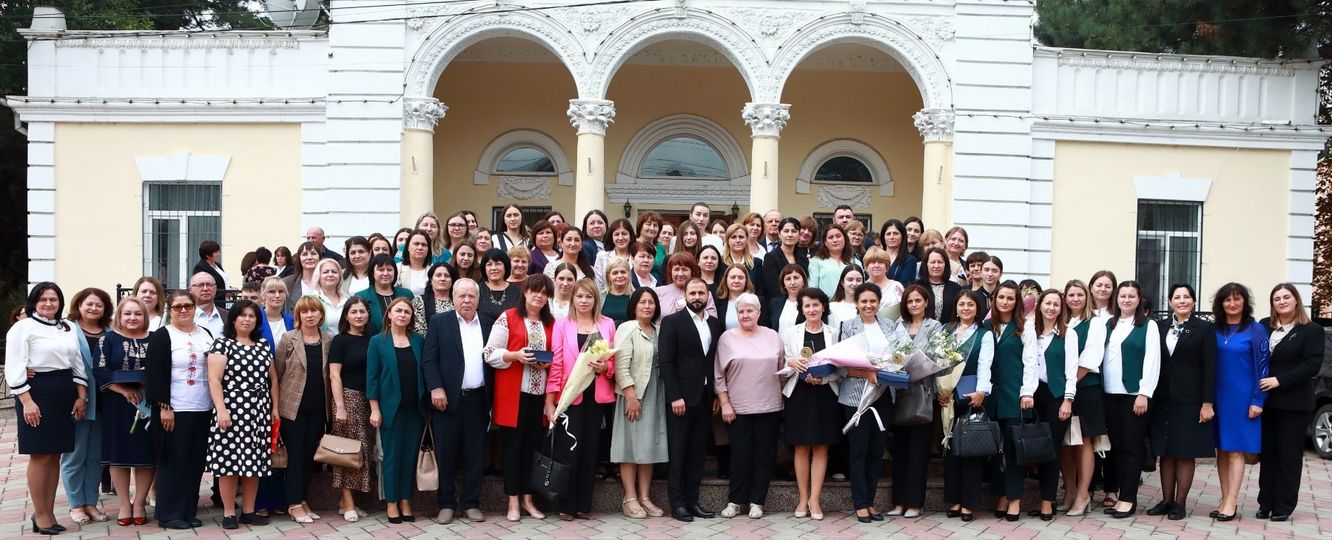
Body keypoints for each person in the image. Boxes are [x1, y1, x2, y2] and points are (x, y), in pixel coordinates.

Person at [7, 283, 90, 534]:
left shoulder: (68, 328)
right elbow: (14, 367)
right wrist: (27, 402)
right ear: (34, 302)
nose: (48, 303)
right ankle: (41, 514)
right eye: (43, 299)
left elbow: (77, 364)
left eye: (53, 299)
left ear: (60, 302)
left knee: (55, 455)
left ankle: (49, 512)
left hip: (65, 391)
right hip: (37, 393)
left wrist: (82, 397)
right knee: (40, 455)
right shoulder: (22, 328)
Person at [418, 279, 493, 524]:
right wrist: (436, 387)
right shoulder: (440, 322)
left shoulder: (488, 324)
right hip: (447, 400)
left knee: (475, 454)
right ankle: (446, 503)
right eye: (462, 296)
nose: (467, 300)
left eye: (471, 296)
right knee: (446, 453)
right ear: (453, 299)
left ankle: (471, 503)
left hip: (478, 400)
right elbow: (429, 358)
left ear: (479, 299)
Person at [483, 275, 555, 522]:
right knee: (513, 449)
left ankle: (528, 499)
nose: (539, 296)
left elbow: (556, 357)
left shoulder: (551, 323)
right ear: (525, 292)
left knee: (533, 449)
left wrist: (547, 363)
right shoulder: (508, 317)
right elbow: (489, 353)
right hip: (513, 395)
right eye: (535, 291)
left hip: (540, 396)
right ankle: (512, 501)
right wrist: (515, 356)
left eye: (544, 293)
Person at [545, 278, 618, 520]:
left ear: (596, 299)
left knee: (589, 450)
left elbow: (612, 362)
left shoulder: (607, 324)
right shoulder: (562, 325)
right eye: (579, 296)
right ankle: (566, 505)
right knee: (570, 450)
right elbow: (556, 363)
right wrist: (550, 400)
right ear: (572, 299)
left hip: (596, 396)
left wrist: (604, 367)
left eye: (589, 296)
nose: (584, 301)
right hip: (570, 395)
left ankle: (582, 505)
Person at [204, 300, 278, 529]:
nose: (247, 319)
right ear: (234, 319)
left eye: (252, 316)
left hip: (259, 411)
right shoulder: (222, 344)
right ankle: (229, 513)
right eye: (242, 315)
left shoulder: (263, 344)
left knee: (253, 463)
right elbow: (214, 380)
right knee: (230, 463)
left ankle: (248, 511)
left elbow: (273, 379)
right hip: (232, 410)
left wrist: (274, 408)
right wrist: (221, 410)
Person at [1145, 283, 1216, 521]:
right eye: (1177, 297)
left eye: (1187, 297)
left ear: (1194, 302)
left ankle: (1180, 503)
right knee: (1165, 452)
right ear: (1170, 302)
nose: (1182, 301)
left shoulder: (1204, 329)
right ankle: (1166, 500)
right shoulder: (1159, 326)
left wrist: (1207, 403)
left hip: (1190, 401)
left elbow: (1210, 368)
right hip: (1162, 399)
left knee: (1184, 452)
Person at [837, 283, 907, 523]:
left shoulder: (890, 326)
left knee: (877, 450)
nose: (868, 305)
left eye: (872, 301)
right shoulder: (847, 326)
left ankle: (870, 500)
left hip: (883, 395)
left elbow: (901, 356)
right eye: (863, 301)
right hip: (856, 397)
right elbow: (841, 365)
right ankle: (860, 503)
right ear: (857, 303)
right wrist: (866, 373)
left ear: (879, 303)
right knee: (859, 449)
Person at [1092, 280, 1161, 519]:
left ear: (1139, 299)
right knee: (1116, 447)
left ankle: (1128, 499)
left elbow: (1152, 361)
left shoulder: (1148, 326)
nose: (1127, 300)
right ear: (1116, 298)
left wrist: (1144, 393)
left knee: (1132, 447)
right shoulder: (1109, 324)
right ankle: (1118, 492)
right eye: (1123, 296)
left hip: (1134, 395)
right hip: (1110, 394)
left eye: (1132, 296)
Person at [146, 290, 213, 529]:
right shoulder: (163, 336)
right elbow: (155, 374)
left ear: (194, 308)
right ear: (169, 310)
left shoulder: (205, 334)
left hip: (203, 407)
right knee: (174, 460)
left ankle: (188, 511)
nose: (183, 310)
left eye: (188, 306)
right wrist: (164, 407)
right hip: (175, 409)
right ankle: (169, 514)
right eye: (177, 307)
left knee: (195, 461)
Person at [1257, 283, 1324, 522]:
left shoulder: (1311, 330)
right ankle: (1265, 502)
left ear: (1296, 300)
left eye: (1286, 297)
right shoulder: (1264, 325)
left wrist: (1280, 380)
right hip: (1266, 403)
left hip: (1294, 403)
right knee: (1268, 455)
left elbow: (1311, 365)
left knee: (1288, 456)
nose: (1282, 301)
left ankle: (1283, 506)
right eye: (1277, 298)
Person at [714, 293, 784, 519]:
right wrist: (725, 403)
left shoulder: (773, 336)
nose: (745, 315)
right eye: (741, 311)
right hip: (738, 408)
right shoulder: (727, 338)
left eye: (749, 311)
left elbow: (782, 369)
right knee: (740, 455)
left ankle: (757, 502)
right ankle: (735, 501)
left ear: (759, 313)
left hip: (770, 406)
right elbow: (718, 375)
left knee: (764, 456)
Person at [658, 278, 723, 522]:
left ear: (708, 296)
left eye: (701, 293)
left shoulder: (714, 324)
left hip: (705, 398)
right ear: (684, 295)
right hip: (681, 400)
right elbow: (666, 361)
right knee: (679, 453)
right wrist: (675, 395)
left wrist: (715, 393)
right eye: (692, 293)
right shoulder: (672, 322)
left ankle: (693, 502)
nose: (697, 297)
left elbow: (713, 361)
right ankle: (677, 504)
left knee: (697, 453)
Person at [780, 288, 840, 521]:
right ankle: (803, 498)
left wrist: (823, 377)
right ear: (801, 309)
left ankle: (815, 499)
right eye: (807, 306)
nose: (812, 309)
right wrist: (791, 362)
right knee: (801, 447)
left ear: (823, 307)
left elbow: (841, 367)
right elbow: (784, 360)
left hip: (825, 393)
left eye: (816, 305)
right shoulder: (791, 332)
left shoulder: (834, 333)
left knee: (821, 447)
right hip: (799, 393)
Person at [95, 297, 156, 527]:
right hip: (117, 404)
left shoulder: (155, 339)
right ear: (119, 316)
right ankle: (123, 504)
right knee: (118, 456)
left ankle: (139, 503)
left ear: (145, 316)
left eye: (138, 314)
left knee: (145, 455)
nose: (132, 318)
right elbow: (99, 370)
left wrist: (146, 385)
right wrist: (123, 390)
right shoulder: (108, 339)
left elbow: (162, 369)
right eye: (127, 313)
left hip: (148, 404)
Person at [1210, 282, 1267, 521]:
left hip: (1242, 399)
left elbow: (1263, 368)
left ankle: (1232, 501)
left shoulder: (1256, 330)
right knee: (1222, 450)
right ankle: (1225, 498)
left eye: (1237, 299)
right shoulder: (1214, 329)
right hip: (1216, 397)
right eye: (1227, 299)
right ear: (1220, 303)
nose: (1232, 304)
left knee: (1235, 450)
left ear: (1245, 302)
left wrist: (1258, 399)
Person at [611, 287, 669, 519]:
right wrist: (631, 397)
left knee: (649, 445)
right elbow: (620, 365)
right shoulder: (627, 328)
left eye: (651, 302)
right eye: (642, 302)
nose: (647, 306)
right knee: (630, 446)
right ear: (634, 306)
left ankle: (645, 497)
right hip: (634, 393)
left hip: (656, 391)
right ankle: (630, 498)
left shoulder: (659, 330)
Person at [366, 298, 425, 524]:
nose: (402, 315)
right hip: (391, 410)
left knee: (409, 456)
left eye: (407, 312)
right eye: (398, 310)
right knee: (391, 457)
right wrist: (374, 409)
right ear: (389, 314)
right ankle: (391, 502)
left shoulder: (418, 340)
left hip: (415, 409)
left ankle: (405, 500)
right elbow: (372, 378)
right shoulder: (377, 341)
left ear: (411, 317)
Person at [273, 296, 332, 523]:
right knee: (296, 457)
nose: (310, 315)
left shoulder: (328, 340)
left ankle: (303, 499)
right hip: (292, 410)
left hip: (318, 410)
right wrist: (275, 408)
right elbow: (277, 375)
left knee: (309, 458)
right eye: (305, 312)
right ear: (298, 315)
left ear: (321, 314)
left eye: (314, 311)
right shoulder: (288, 339)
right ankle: (294, 503)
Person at [982, 280, 1037, 521]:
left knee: (1014, 451)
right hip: (991, 397)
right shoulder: (986, 325)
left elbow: (1031, 361)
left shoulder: (1025, 327)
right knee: (996, 450)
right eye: (1001, 297)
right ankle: (1002, 494)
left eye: (1010, 298)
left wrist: (1027, 392)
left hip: (1015, 395)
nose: (1004, 302)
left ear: (1017, 302)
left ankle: (1014, 500)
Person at [887, 285, 943, 518]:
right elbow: (891, 354)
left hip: (922, 392)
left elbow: (937, 357)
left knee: (917, 451)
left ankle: (914, 502)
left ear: (926, 302)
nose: (913, 305)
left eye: (918, 300)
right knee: (899, 451)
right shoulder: (898, 326)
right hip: (900, 392)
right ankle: (898, 501)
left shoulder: (935, 326)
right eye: (910, 301)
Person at [1024, 289, 1080, 521]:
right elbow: (1026, 363)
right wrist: (1026, 393)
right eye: (1047, 303)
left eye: (1056, 304)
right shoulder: (1029, 330)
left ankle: (1048, 502)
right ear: (1040, 305)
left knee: (1051, 450)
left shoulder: (1069, 334)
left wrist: (1068, 400)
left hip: (1056, 396)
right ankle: (1033, 499)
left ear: (1061, 309)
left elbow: (1072, 370)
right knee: (1030, 448)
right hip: (1031, 394)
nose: (1051, 308)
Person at [940, 290, 993, 522]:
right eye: (962, 304)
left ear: (977, 308)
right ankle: (954, 499)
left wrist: (981, 391)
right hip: (948, 396)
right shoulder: (947, 330)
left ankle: (968, 503)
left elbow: (985, 365)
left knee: (970, 450)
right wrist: (940, 390)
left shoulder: (984, 334)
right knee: (951, 449)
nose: (966, 308)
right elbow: (936, 362)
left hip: (971, 394)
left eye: (971, 305)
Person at [62, 288, 111, 525]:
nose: (93, 308)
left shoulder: (111, 332)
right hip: (77, 401)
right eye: (89, 304)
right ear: (79, 305)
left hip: (105, 402)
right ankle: (75, 504)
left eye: (99, 305)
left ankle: (90, 502)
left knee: (96, 457)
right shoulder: (66, 330)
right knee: (75, 455)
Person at [328, 298, 376, 522]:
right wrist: (340, 406)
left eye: (362, 311)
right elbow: (334, 375)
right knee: (346, 452)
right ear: (346, 316)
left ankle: (346, 502)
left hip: (369, 400)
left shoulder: (373, 339)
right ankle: (347, 503)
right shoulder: (340, 340)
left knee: (363, 451)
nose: (358, 315)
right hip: (348, 398)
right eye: (354, 311)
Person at [356, 254, 414, 334]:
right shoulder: (361, 297)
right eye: (381, 270)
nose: (386, 273)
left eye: (389, 270)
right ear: (372, 273)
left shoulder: (407, 294)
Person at [655, 252, 718, 318]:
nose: (680, 274)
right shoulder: (658, 292)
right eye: (676, 269)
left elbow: (712, 320)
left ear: (692, 271)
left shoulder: (703, 294)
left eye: (684, 269)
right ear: (670, 272)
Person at [761, 217, 808, 298]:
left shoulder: (803, 257)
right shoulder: (771, 257)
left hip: (802, 301)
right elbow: (773, 288)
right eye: (786, 231)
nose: (790, 235)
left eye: (794, 231)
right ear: (779, 234)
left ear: (799, 234)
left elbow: (806, 282)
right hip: (779, 302)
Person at [808, 224, 859, 296]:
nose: (835, 240)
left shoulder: (855, 262)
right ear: (825, 242)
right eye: (831, 237)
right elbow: (812, 289)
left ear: (845, 238)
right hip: (826, 302)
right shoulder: (816, 261)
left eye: (838, 236)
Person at [916, 247, 961, 323]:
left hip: (949, 329)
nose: (936, 266)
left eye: (940, 262)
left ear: (945, 265)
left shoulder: (956, 288)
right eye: (932, 262)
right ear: (926, 264)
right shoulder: (916, 287)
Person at [721, 223, 765, 298]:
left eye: (741, 237)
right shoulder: (720, 263)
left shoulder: (757, 263)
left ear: (747, 239)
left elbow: (760, 291)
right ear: (727, 240)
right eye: (733, 237)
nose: (738, 240)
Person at [412, 262, 457, 335]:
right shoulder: (420, 301)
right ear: (431, 280)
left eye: (447, 276)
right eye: (438, 275)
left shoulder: (458, 301)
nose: (442, 279)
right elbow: (419, 331)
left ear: (452, 281)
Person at [862, 247, 905, 320]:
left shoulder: (897, 286)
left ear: (887, 267)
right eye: (873, 262)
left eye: (881, 262)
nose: (876, 266)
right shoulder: (861, 288)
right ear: (866, 266)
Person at [594, 219, 637, 290]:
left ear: (630, 236)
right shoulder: (602, 256)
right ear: (612, 237)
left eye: (624, 234)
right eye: (616, 234)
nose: (620, 238)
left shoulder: (637, 256)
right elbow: (598, 284)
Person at [308, 258, 348, 332]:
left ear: (340, 276)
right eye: (325, 272)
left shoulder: (347, 298)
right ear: (318, 276)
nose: (330, 275)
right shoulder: (309, 299)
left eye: (334, 272)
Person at [714, 265, 758, 331]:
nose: (736, 281)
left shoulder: (757, 301)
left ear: (746, 280)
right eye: (733, 277)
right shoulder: (717, 303)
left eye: (741, 277)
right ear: (726, 279)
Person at [769, 264, 808, 334]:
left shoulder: (810, 303)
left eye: (796, 278)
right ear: (783, 284)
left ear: (804, 281)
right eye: (788, 279)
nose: (792, 282)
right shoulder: (775, 303)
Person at [282, 242, 322, 311]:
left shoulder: (328, 282)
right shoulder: (286, 283)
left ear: (319, 258)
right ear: (299, 259)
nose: (309, 257)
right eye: (305, 254)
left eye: (313, 253)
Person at [190, 272, 228, 338]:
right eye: (200, 285)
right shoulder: (185, 316)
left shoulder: (228, 316)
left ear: (215, 288)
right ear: (190, 289)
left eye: (209, 285)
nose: (205, 289)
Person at [601, 257, 635, 326]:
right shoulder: (600, 296)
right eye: (615, 273)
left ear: (629, 274)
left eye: (623, 272)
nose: (619, 276)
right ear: (608, 276)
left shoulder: (636, 296)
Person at [398, 230, 433, 296]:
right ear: (408, 247)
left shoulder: (434, 270)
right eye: (416, 244)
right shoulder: (397, 269)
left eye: (424, 245)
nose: (420, 247)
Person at [635, 211, 665, 277]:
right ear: (640, 226)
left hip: (659, 282)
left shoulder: (660, 247)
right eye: (648, 224)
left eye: (655, 225)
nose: (652, 228)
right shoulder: (633, 245)